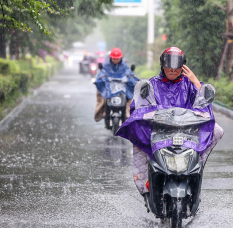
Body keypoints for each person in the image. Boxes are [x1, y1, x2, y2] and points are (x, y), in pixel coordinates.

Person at [129, 47, 224, 195]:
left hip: (187, 129)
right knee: (137, 135)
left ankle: (196, 166)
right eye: (169, 67)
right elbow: (139, 107)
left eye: (176, 67)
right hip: (159, 129)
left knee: (217, 130)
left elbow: (204, 103)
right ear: (162, 65)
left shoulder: (190, 84)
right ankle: (145, 183)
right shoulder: (151, 84)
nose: (173, 70)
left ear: (183, 67)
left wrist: (196, 82)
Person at [94, 47, 136, 122]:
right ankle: (101, 111)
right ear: (111, 58)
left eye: (117, 58)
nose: (116, 60)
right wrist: (104, 79)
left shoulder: (124, 66)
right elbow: (102, 74)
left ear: (121, 58)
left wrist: (127, 79)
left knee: (132, 95)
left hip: (122, 87)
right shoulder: (107, 66)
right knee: (100, 92)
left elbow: (129, 74)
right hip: (109, 87)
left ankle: (128, 112)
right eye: (114, 58)